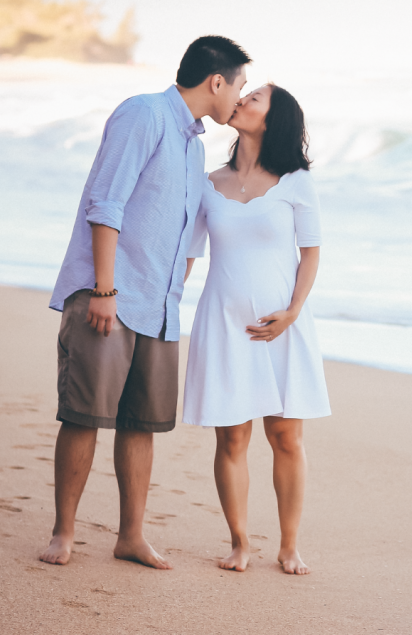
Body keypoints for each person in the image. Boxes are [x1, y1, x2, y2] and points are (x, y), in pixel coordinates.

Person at [40, 36, 251, 569]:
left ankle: (130, 537)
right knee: (84, 414)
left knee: (142, 423)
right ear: (217, 81)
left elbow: (180, 233)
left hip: (159, 307)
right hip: (110, 296)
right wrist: (104, 290)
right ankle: (64, 532)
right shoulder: (144, 114)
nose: (239, 98)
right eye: (240, 86)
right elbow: (106, 203)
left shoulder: (195, 146)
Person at [183, 83, 331, 575]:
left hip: (283, 327)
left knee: (286, 437)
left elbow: (311, 254)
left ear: (273, 118)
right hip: (223, 324)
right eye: (245, 94)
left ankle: (289, 546)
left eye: (255, 98)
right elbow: (189, 254)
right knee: (231, 439)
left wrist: (292, 311)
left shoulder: (296, 182)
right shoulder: (208, 182)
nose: (242, 100)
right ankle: (240, 543)